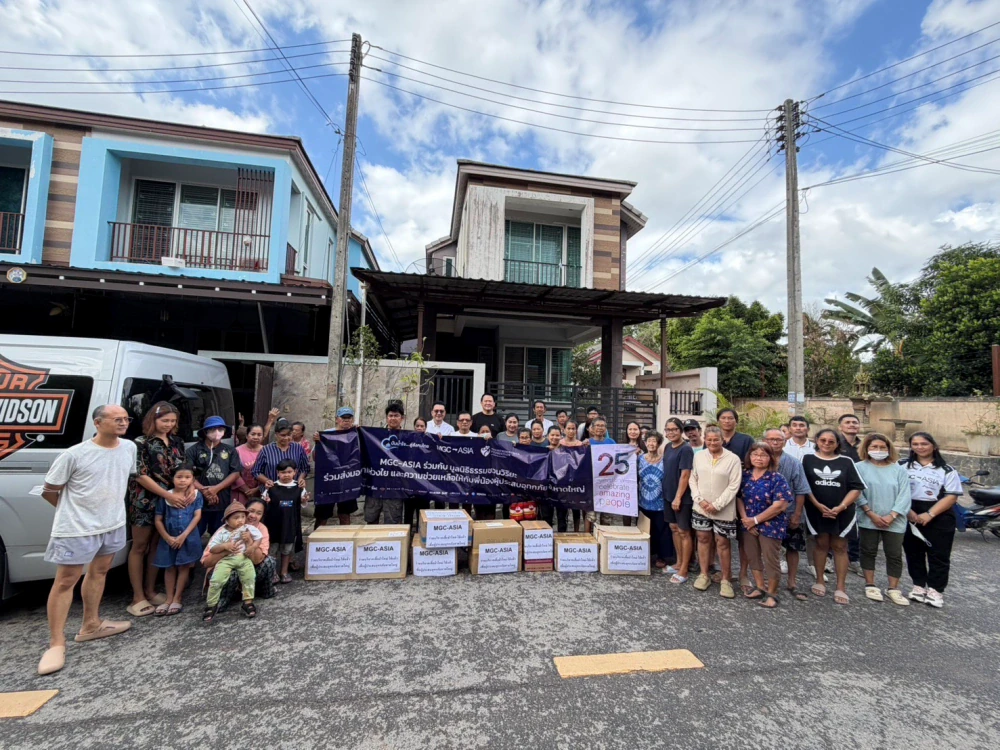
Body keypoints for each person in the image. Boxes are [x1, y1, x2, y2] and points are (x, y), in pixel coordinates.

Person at [37, 404, 135, 676]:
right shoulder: (74, 454)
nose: (123, 423)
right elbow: (50, 490)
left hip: (112, 523)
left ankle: (91, 624)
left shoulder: (129, 448)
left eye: (126, 419)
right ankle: (56, 642)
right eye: (117, 419)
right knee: (66, 581)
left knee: (100, 572)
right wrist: (72, 514)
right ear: (98, 422)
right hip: (77, 528)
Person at [127, 401, 185, 617]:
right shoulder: (140, 443)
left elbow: (184, 470)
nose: (168, 425)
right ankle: (137, 596)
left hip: (170, 501)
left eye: (172, 421)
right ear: (153, 419)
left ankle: (151, 590)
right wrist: (167, 494)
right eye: (164, 420)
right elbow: (140, 475)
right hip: (144, 500)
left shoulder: (176, 441)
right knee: (139, 546)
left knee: (156, 544)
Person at [803, 428, 866, 604]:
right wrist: (816, 504)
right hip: (816, 510)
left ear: (838, 443)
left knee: (840, 546)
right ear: (817, 440)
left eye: (831, 441)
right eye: (823, 440)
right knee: (821, 544)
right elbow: (804, 485)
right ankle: (820, 580)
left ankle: (840, 586)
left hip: (842, 512)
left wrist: (841, 507)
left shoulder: (846, 462)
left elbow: (856, 488)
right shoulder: (807, 459)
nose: (826, 444)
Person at [901, 431, 962, 608]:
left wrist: (930, 514)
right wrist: (908, 511)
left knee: (939, 554)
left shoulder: (947, 470)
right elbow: (896, 489)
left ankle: (936, 590)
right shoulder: (902, 465)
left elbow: (951, 496)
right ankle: (918, 586)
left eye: (924, 444)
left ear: (933, 446)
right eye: (915, 444)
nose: (920, 447)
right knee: (913, 552)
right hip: (909, 511)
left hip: (939, 514)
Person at [854, 433, 911, 606]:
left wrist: (892, 515)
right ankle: (870, 584)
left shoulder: (899, 470)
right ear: (866, 449)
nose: (878, 450)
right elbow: (856, 492)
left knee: (894, 554)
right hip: (868, 517)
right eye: (874, 447)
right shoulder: (859, 467)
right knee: (868, 550)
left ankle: (893, 588)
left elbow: (905, 495)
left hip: (895, 519)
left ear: (889, 449)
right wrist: (870, 513)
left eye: (882, 447)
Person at [689, 426, 742, 598]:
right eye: (709, 439)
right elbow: (693, 479)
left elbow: (734, 485)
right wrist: (700, 500)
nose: (712, 442)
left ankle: (726, 579)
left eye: (716, 439)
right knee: (703, 539)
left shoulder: (732, 459)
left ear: (722, 440)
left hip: (723, 509)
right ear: (705, 439)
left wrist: (717, 504)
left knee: (723, 543)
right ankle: (704, 574)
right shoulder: (698, 456)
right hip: (701, 507)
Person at [738, 443, 792, 609]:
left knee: (771, 559)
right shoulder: (745, 476)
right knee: (753, 556)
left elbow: (780, 505)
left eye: (763, 455)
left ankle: (772, 593)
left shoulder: (776, 478)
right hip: (748, 524)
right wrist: (746, 519)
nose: (758, 458)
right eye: (755, 455)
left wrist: (755, 520)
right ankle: (760, 587)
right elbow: (739, 497)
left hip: (771, 525)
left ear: (770, 458)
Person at [201, 498, 277, 608]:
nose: (253, 516)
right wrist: (225, 550)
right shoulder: (224, 530)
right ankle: (223, 599)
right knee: (232, 573)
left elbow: (257, 560)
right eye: (250, 511)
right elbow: (206, 562)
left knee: (269, 561)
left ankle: (259, 592)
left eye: (258, 513)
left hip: (247, 565)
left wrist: (249, 541)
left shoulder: (261, 529)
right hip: (228, 567)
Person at [763, 428, 811, 600]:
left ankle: (792, 581)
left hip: (789, 511)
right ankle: (769, 580)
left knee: (792, 547)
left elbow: (801, 490)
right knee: (770, 550)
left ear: (784, 442)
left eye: (778, 440)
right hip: (764, 514)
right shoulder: (759, 461)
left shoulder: (793, 462)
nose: (774, 443)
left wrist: (797, 514)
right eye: (771, 439)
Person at [152, 464, 203, 616]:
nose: (183, 481)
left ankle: (177, 597)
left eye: (187, 477)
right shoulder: (166, 496)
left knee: (184, 567)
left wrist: (184, 535)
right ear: (172, 479)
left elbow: (197, 516)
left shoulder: (196, 495)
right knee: (169, 568)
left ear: (193, 479)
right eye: (179, 477)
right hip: (169, 539)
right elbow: (158, 519)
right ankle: (168, 599)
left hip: (188, 538)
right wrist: (167, 537)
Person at [203, 502, 263, 623]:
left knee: (249, 578)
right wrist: (224, 546)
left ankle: (248, 602)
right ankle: (211, 605)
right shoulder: (221, 532)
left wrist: (251, 545)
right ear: (227, 520)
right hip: (226, 560)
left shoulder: (248, 529)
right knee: (217, 580)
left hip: (243, 557)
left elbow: (259, 538)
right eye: (236, 518)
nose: (240, 520)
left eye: (242, 517)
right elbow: (213, 548)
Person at [186, 415, 241, 536]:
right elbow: (187, 474)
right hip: (198, 499)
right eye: (212, 429)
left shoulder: (231, 451)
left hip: (222, 499)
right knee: (194, 534)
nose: (217, 432)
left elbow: (235, 473)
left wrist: (216, 488)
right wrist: (204, 491)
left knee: (219, 535)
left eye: (220, 429)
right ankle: (195, 555)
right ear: (205, 431)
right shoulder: (193, 450)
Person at [263, 459, 310, 584]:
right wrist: (266, 501)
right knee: (272, 550)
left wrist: (305, 499)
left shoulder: (299, 487)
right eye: (283, 472)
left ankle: (284, 572)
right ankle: (272, 574)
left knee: (287, 550)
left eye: (289, 472)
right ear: (278, 473)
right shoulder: (271, 487)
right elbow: (264, 503)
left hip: (290, 524)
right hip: (273, 525)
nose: (286, 475)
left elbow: (303, 503)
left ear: (295, 472)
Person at [313, 407, 358, 528]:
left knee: (345, 514)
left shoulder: (356, 434)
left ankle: (346, 542)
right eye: (344, 418)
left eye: (349, 418)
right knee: (322, 515)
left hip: (347, 480)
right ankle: (316, 542)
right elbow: (314, 457)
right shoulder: (327, 434)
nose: (347, 421)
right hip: (328, 482)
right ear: (337, 419)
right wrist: (317, 443)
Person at [662, 418, 694, 583]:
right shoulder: (668, 447)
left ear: (680, 430)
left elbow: (685, 474)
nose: (671, 432)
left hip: (681, 498)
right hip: (668, 495)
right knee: (674, 528)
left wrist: (678, 497)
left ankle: (684, 569)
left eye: (674, 429)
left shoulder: (686, 449)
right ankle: (678, 562)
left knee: (684, 531)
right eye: (668, 430)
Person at [365, 403, 406, 524]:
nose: (393, 418)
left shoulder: (408, 437)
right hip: (375, 486)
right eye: (390, 415)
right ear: (386, 418)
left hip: (395, 488)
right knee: (371, 521)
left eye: (396, 415)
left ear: (402, 418)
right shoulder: (374, 436)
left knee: (393, 522)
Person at [638, 432, 672, 570]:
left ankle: (661, 556)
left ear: (658, 444)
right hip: (643, 500)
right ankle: (645, 554)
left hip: (660, 501)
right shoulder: (639, 459)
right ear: (645, 443)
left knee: (661, 530)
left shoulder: (665, 460)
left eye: (654, 441)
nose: (651, 444)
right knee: (645, 529)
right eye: (649, 441)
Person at [253, 418, 310, 489]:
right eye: (283, 435)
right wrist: (267, 481)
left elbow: (305, 468)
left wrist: (300, 479)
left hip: (294, 490)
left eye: (289, 435)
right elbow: (256, 471)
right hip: (272, 490)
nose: (286, 438)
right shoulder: (266, 450)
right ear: (276, 434)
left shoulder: (298, 448)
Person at [233, 423, 266, 506]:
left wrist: (257, 489)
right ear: (247, 436)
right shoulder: (237, 451)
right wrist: (246, 490)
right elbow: (234, 473)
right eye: (253, 434)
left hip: (261, 491)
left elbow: (269, 472)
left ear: (262, 437)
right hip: (241, 491)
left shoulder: (267, 451)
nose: (256, 437)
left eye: (259, 435)